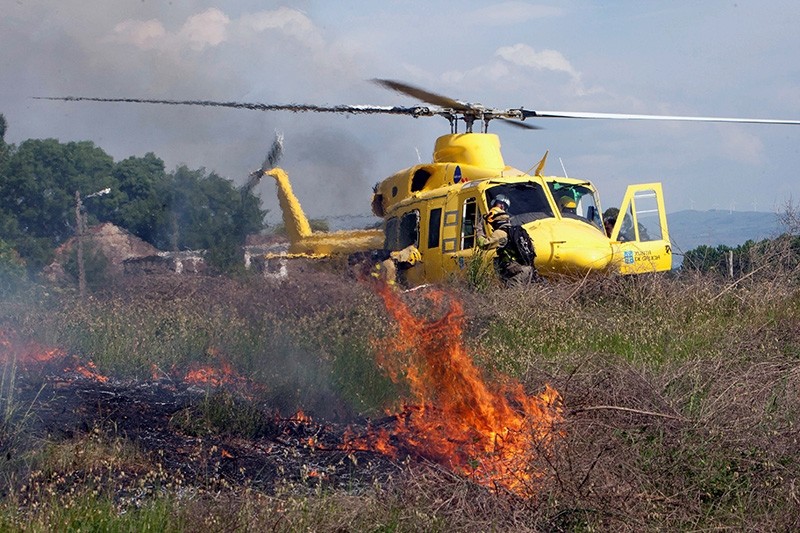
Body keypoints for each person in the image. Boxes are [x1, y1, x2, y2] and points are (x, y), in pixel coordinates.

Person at [476, 195, 536, 287]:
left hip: (515, 271)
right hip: (527, 270)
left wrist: (479, 230)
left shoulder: (501, 233)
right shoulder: (518, 231)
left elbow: (483, 244)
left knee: (514, 298)